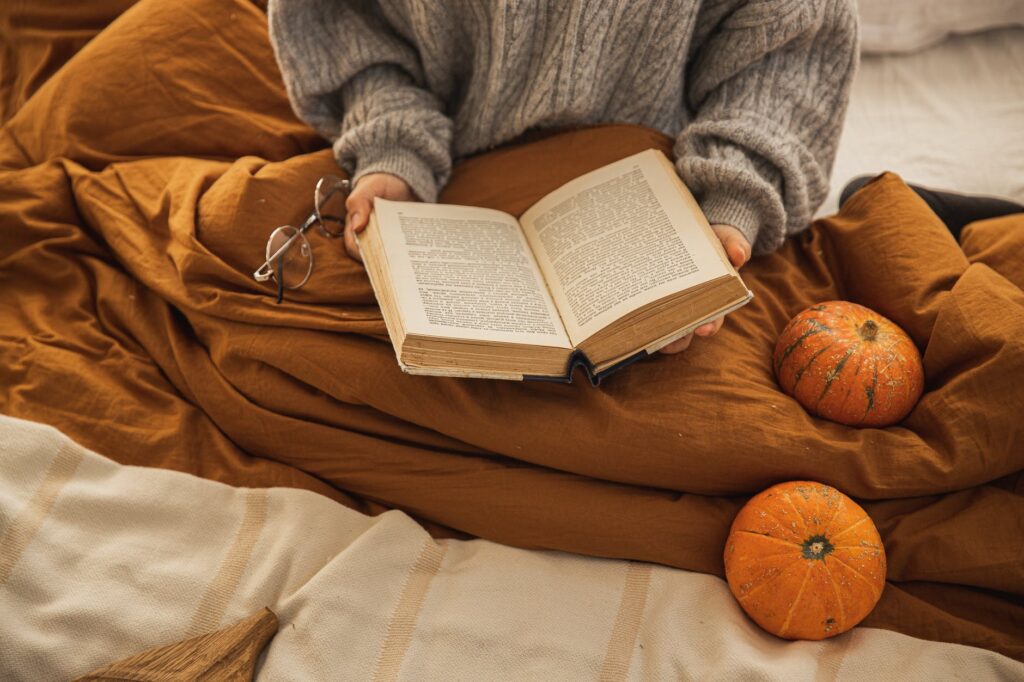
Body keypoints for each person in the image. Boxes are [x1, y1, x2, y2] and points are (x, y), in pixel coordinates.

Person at [268, 0, 858, 353]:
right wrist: (392, 144)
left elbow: (788, 46)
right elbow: (344, 22)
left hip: (671, 186)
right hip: (442, 169)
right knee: (284, 347)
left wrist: (729, 199)